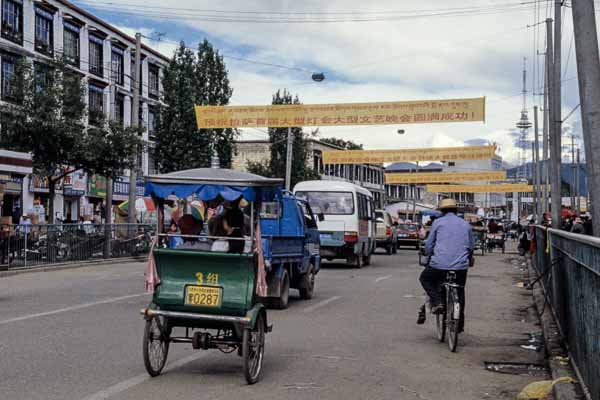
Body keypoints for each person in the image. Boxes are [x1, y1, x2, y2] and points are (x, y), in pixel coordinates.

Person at [417, 198, 473, 333]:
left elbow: (429, 245)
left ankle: (437, 302)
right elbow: (471, 247)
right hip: (460, 267)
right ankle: (459, 324)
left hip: (439, 265)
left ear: (441, 211)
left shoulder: (438, 223)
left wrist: (428, 255)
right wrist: (469, 258)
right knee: (460, 291)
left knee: (425, 278)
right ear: (456, 210)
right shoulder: (465, 224)